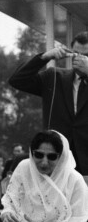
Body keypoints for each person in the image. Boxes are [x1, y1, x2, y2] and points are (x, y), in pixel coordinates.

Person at [8, 32, 88, 174]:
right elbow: (17, 80)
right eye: (76, 54)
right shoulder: (54, 77)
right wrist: (44, 57)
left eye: (86, 55)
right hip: (57, 161)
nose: (80, 59)